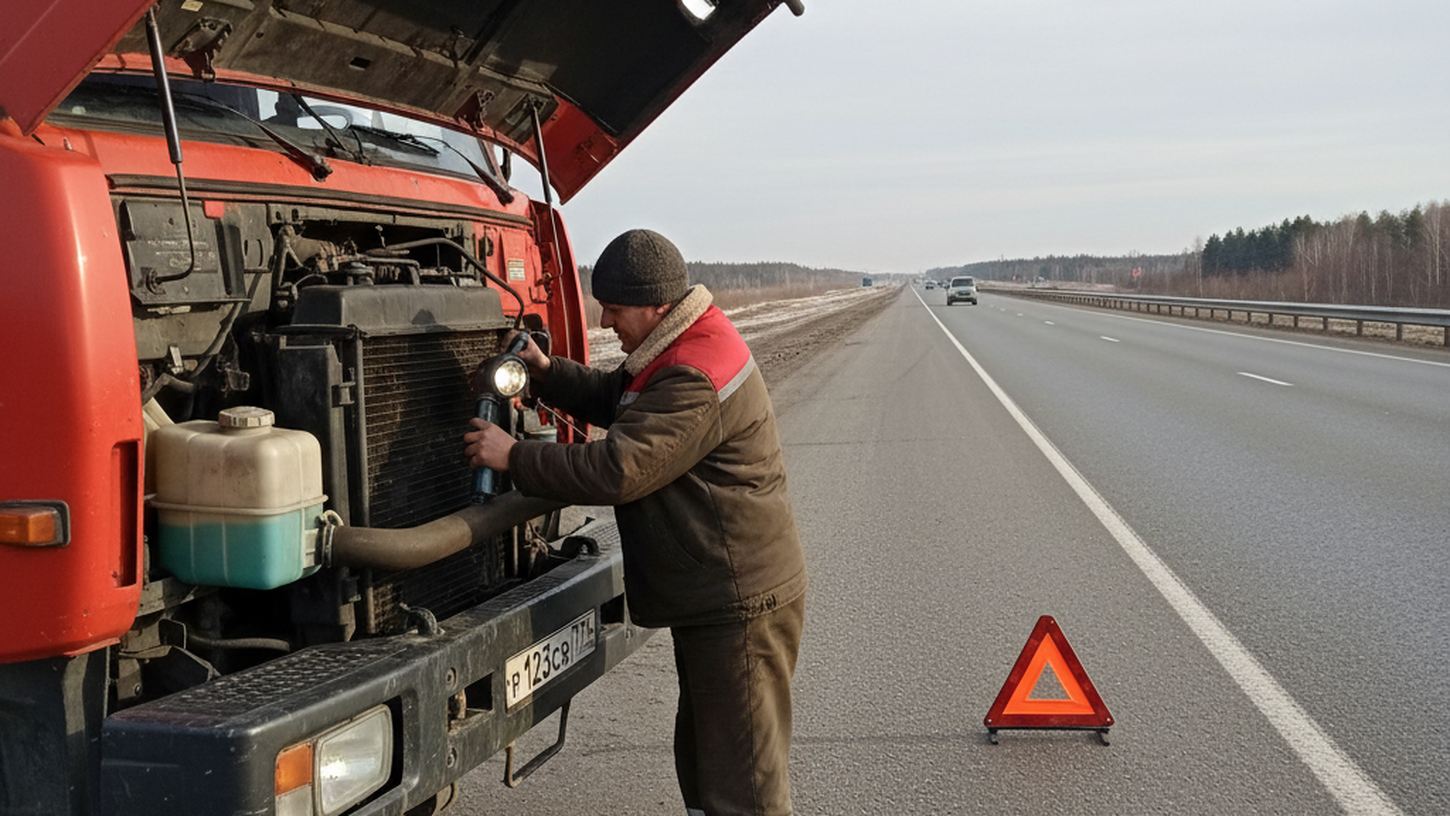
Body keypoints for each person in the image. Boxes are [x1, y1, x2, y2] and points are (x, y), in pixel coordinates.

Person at [464, 229, 807, 816]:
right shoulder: (676, 348)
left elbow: (619, 468)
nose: (604, 321)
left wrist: (512, 456)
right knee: (705, 759)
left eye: (615, 309)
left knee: (741, 784)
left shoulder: (693, 374)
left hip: (739, 603)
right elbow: (617, 399)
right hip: (716, 597)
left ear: (656, 306)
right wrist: (544, 371)